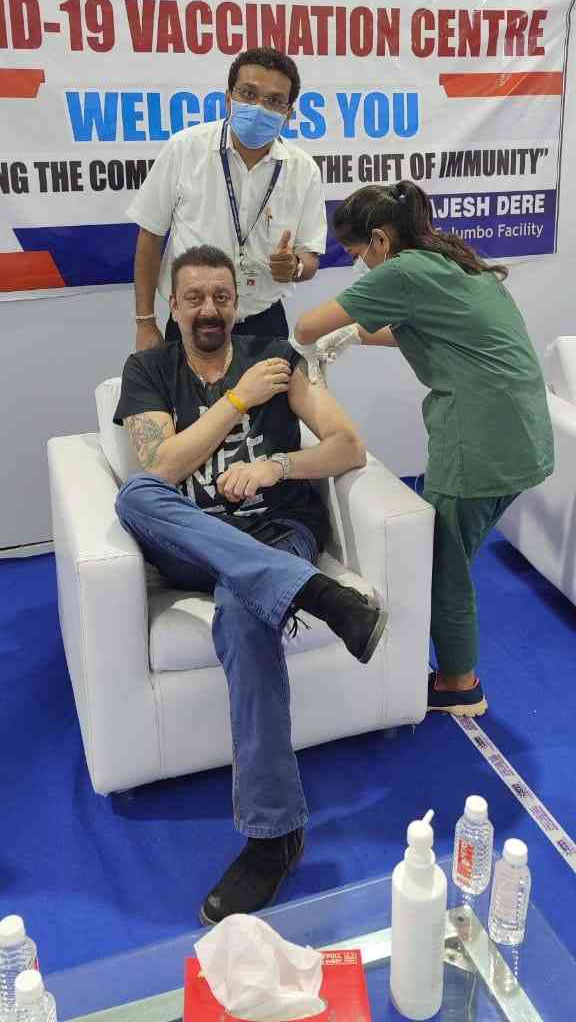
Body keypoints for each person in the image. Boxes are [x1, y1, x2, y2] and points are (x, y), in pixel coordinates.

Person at [114, 244, 387, 924]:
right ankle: (318, 595)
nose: (209, 309)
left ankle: (273, 838)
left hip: (274, 536)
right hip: (194, 545)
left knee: (243, 614)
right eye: (194, 297)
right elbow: (162, 465)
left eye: (221, 296)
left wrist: (277, 469)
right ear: (173, 307)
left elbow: (348, 446)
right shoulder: (148, 368)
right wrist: (237, 400)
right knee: (137, 496)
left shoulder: (279, 358)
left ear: (238, 302)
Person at [294, 182, 554, 718]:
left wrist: (328, 336)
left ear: (381, 240)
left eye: (358, 252)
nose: (359, 264)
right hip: (523, 434)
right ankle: (455, 668)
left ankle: (459, 682)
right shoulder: (451, 259)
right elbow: (435, 326)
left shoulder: (402, 271)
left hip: (477, 436)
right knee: (453, 551)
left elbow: (305, 325)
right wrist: (359, 337)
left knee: (442, 560)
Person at [128, 47, 326, 351]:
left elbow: (310, 256)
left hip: (263, 324)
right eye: (248, 93)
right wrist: (144, 322)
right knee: (185, 401)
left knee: (270, 399)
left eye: (273, 101)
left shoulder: (304, 170)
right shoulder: (184, 149)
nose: (259, 107)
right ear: (228, 99)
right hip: (191, 319)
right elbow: (150, 236)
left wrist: (295, 267)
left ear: (289, 113)